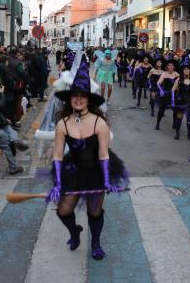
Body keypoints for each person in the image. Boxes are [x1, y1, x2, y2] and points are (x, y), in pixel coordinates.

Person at [47, 59, 128, 261]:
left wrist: (107, 179)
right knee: (64, 210)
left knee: (94, 210)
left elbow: (103, 154)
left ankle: (96, 243)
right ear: (70, 99)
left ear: (88, 100)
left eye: (83, 96)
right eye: (75, 96)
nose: (78, 99)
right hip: (72, 170)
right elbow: (57, 154)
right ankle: (74, 232)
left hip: (96, 170)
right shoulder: (62, 124)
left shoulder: (99, 123)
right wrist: (58, 182)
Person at [172, 59, 190, 141]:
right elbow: (173, 90)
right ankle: (177, 133)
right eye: (184, 69)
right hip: (180, 100)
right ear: (182, 71)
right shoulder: (178, 80)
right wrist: (172, 100)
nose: (186, 71)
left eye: (188, 69)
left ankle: (189, 134)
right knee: (179, 118)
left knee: (189, 119)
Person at [155, 59, 179, 131]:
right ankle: (158, 123)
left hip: (174, 94)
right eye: (169, 65)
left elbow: (181, 82)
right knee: (161, 110)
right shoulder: (164, 74)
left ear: (174, 67)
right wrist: (161, 91)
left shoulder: (176, 74)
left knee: (175, 110)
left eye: (172, 65)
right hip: (165, 94)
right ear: (167, 67)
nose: (170, 66)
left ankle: (174, 123)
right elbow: (158, 83)